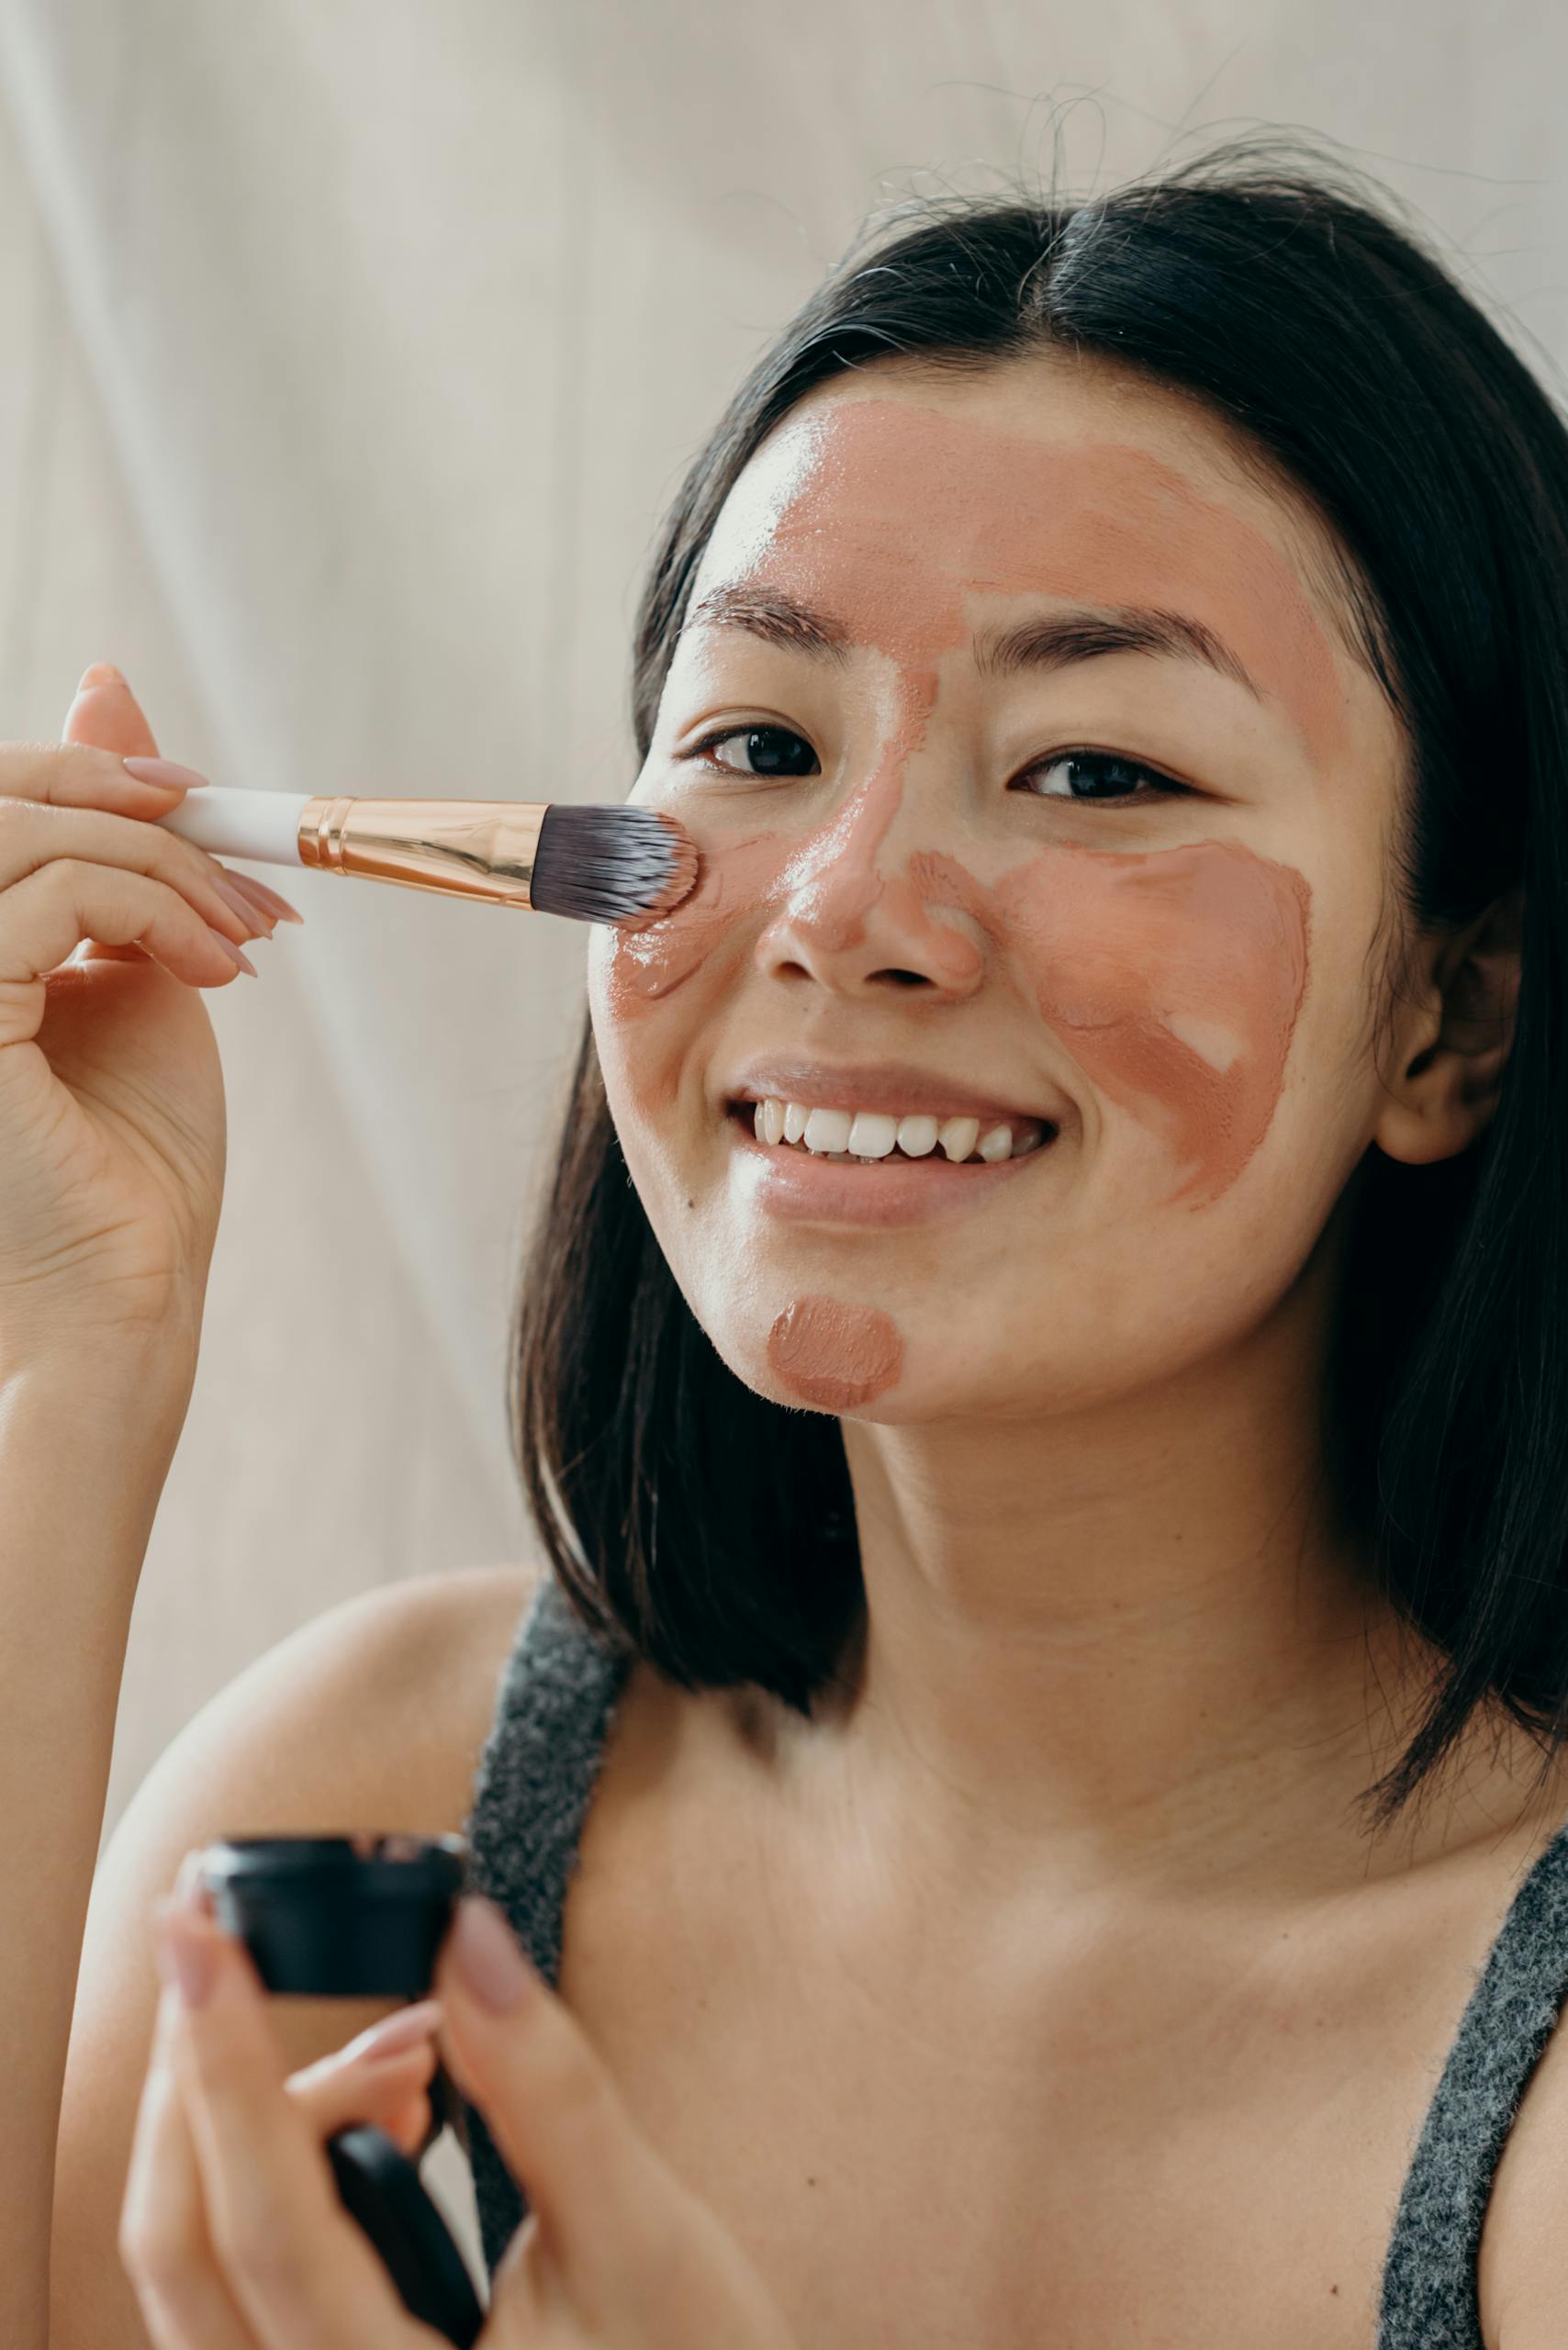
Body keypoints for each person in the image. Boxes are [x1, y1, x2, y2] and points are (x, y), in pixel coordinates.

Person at [7, 137, 1568, 2348]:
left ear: (1451, 1012)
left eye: (1098, 769)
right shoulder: (371, 1829)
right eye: (754, 739)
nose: (838, 906)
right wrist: (65, 1376)